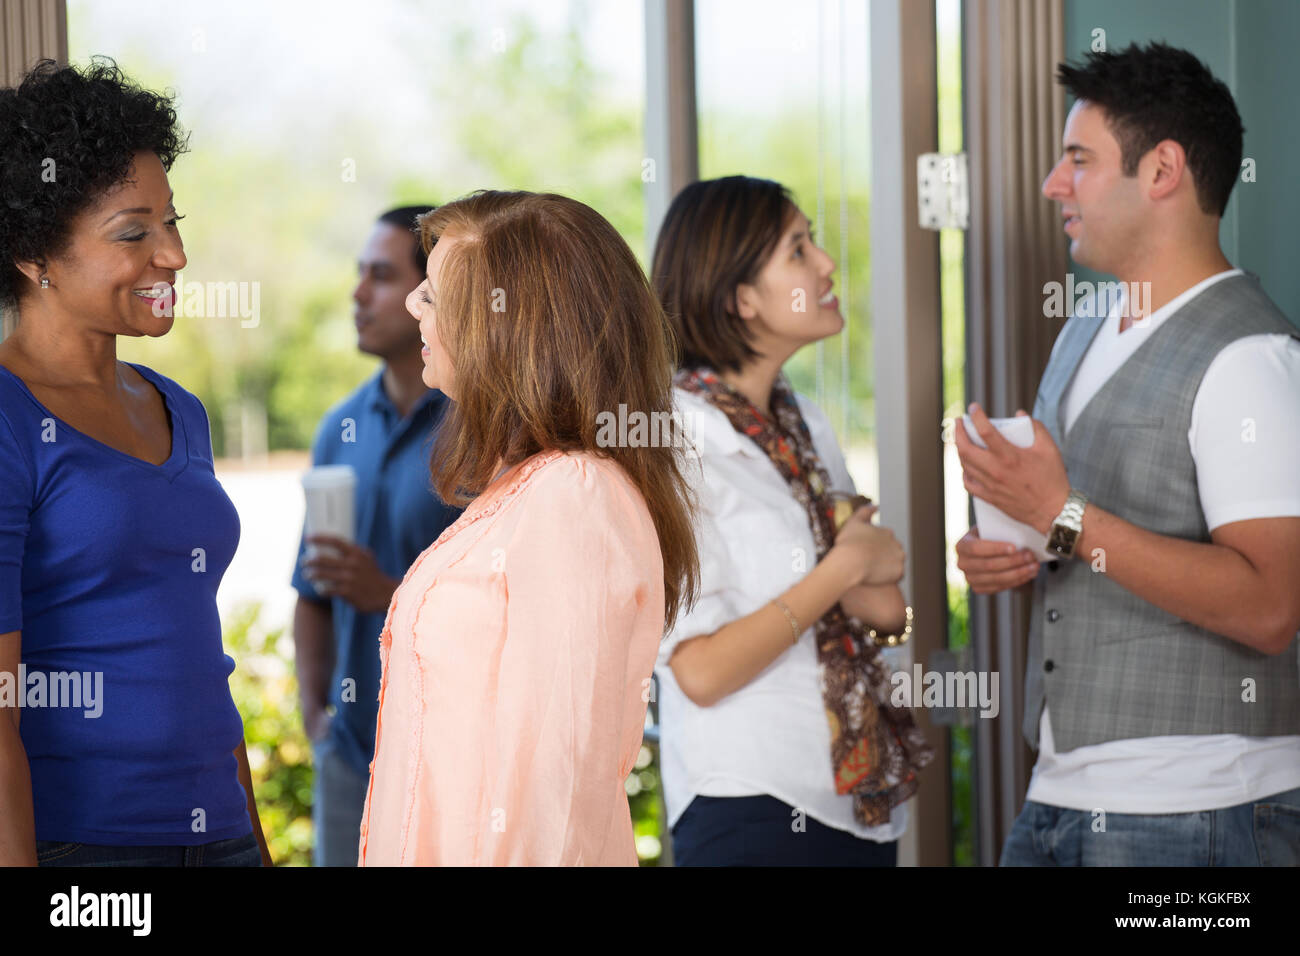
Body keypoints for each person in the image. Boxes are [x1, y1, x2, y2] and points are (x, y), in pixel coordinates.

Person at [954, 42, 1300, 866]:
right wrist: (1017, 549)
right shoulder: (1084, 327)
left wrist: (1061, 515)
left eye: (1079, 159)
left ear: (1163, 171)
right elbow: (1071, 530)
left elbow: (1272, 607)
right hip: (1059, 795)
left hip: (1203, 810)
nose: (1054, 184)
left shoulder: (1251, 359)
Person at [357, 190, 699, 866]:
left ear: (511, 323)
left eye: (436, 294)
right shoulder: (529, 490)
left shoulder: (573, 497)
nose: (414, 305)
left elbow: (553, 797)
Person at [0, 58, 269, 866]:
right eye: (134, 233)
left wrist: (252, 842)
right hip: (85, 850)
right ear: (34, 256)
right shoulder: (9, 419)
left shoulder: (177, 407)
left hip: (221, 833)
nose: (174, 255)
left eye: (172, 222)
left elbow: (199, 656)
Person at [650, 175, 933, 866]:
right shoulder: (673, 437)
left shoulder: (804, 423)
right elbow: (701, 673)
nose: (827, 264)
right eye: (799, 250)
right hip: (750, 801)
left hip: (853, 800)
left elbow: (888, 611)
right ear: (740, 298)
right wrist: (844, 566)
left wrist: (860, 575)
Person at [290, 205, 462, 867]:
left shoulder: (480, 429)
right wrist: (317, 721)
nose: (358, 294)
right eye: (360, 273)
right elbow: (312, 592)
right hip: (350, 756)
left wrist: (386, 593)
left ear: (433, 294)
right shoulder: (339, 427)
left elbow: (508, 614)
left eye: (382, 276)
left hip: (447, 754)